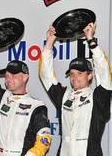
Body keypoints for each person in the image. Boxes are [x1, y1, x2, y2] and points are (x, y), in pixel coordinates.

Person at [39, 22, 112, 156]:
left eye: (80, 73)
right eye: (72, 74)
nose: (74, 78)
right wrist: (49, 43)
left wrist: (90, 40)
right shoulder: (64, 95)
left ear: (90, 75)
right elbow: (46, 76)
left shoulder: (98, 98)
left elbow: (104, 72)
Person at [0, 28, 51, 156]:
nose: (8, 79)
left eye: (13, 75)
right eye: (6, 75)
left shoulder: (37, 106)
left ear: (25, 77)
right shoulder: (1, 97)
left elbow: (44, 140)